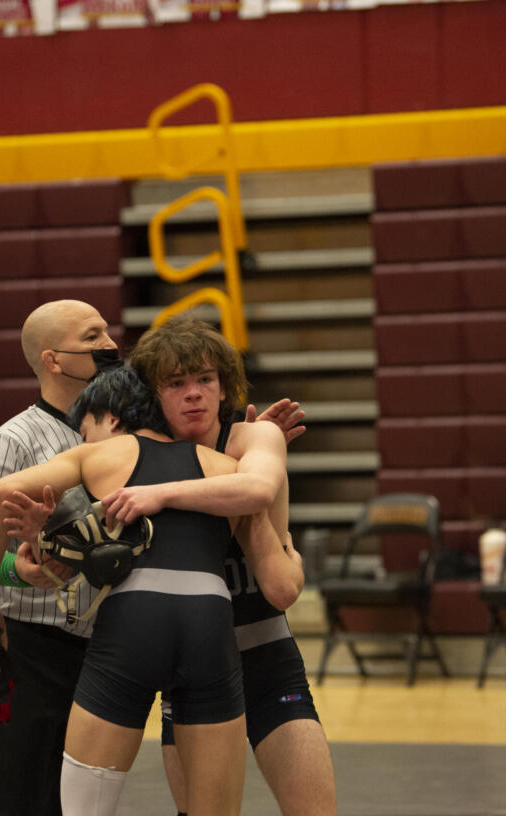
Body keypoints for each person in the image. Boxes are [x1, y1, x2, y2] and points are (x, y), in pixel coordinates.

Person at [0, 366, 304, 816]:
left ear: (110, 418)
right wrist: (291, 551)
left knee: (87, 807)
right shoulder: (228, 470)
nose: (84, 443)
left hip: (133, 628)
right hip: (210, 628)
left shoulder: (99, 459)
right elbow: (281, 585)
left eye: (85, 431)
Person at [109, 316, 337, 816]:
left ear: (224, 386)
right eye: (177, 382)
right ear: (154, 392)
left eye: (205, 380)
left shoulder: (251, 440)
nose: (194, 394)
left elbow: (280, 586)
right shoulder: (138, 452)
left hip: (266, 658)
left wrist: (162, 492)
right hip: (190, 671)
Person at [0, 299, 120, 816]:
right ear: (53, 360)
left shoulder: (119, 435)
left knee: (78, 802)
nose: (110, 345)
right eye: (92, 338)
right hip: (29, 648)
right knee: (14, 795)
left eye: (107, 332)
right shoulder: (13, 441)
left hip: (102, 649)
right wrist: (16, 571)